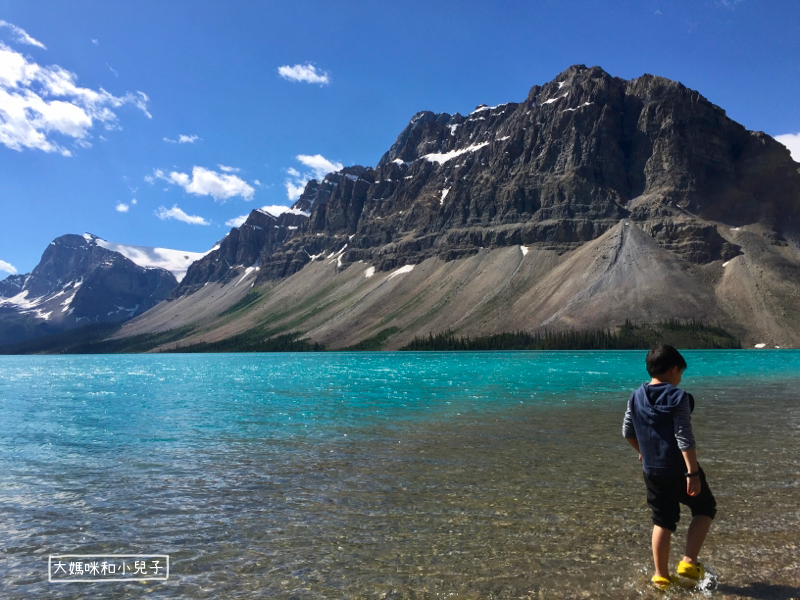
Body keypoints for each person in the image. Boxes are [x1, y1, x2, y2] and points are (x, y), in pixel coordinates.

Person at [622, 344, 717, 591]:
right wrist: (693, 473)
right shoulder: (679, 397)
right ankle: (688, 562)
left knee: (662, 520)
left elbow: (627, 431)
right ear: (674, 369)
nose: (680, 378)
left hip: (652, 471)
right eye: (681, 373)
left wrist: (642, 451)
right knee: (705, 507)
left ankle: (661, 577)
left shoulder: (635, 396)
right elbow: (684, 437)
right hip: (679, 469)